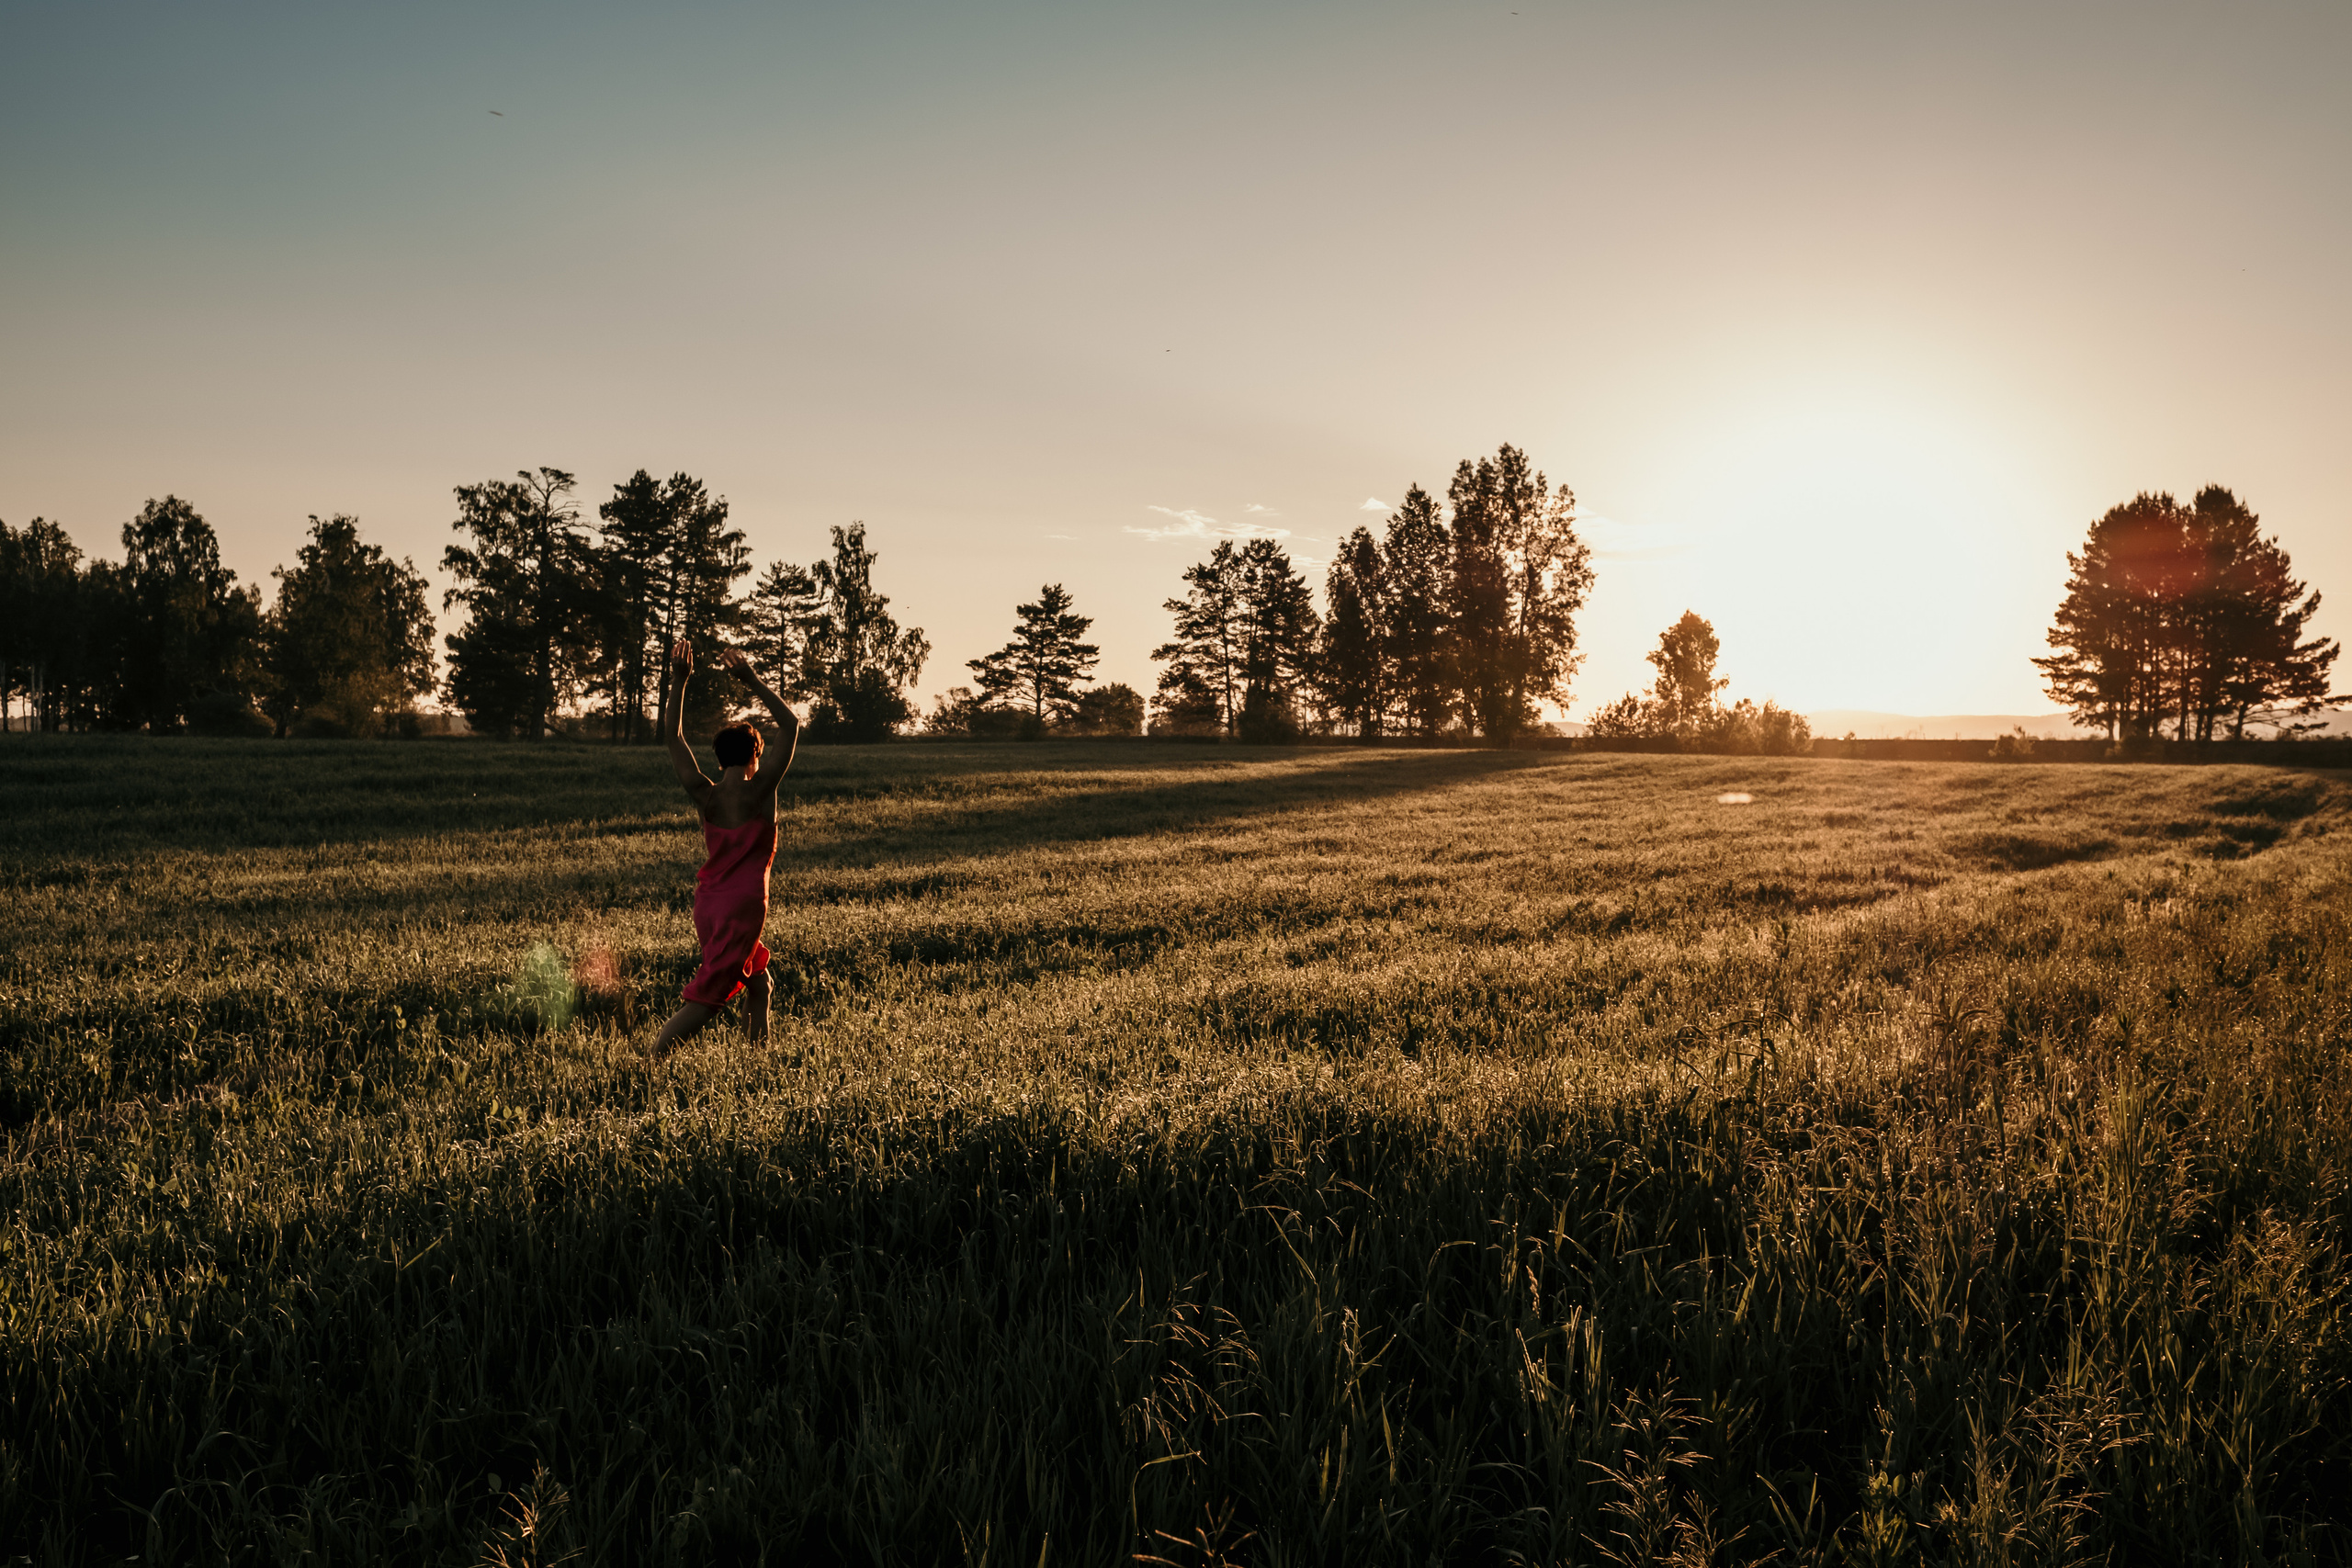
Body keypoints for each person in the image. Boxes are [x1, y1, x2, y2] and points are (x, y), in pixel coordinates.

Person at [647, 638, 800, 1055]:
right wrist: (750, 678)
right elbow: (791, 726)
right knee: (710, 995)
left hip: (709, 904)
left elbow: (673, 737)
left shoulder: (705, 794)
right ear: (755, 757)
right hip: (744, 905)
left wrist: (680, 680)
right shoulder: (762, 791)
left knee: (759, 980)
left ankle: (757, 1058)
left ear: (717, 759)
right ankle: (653, 1059)